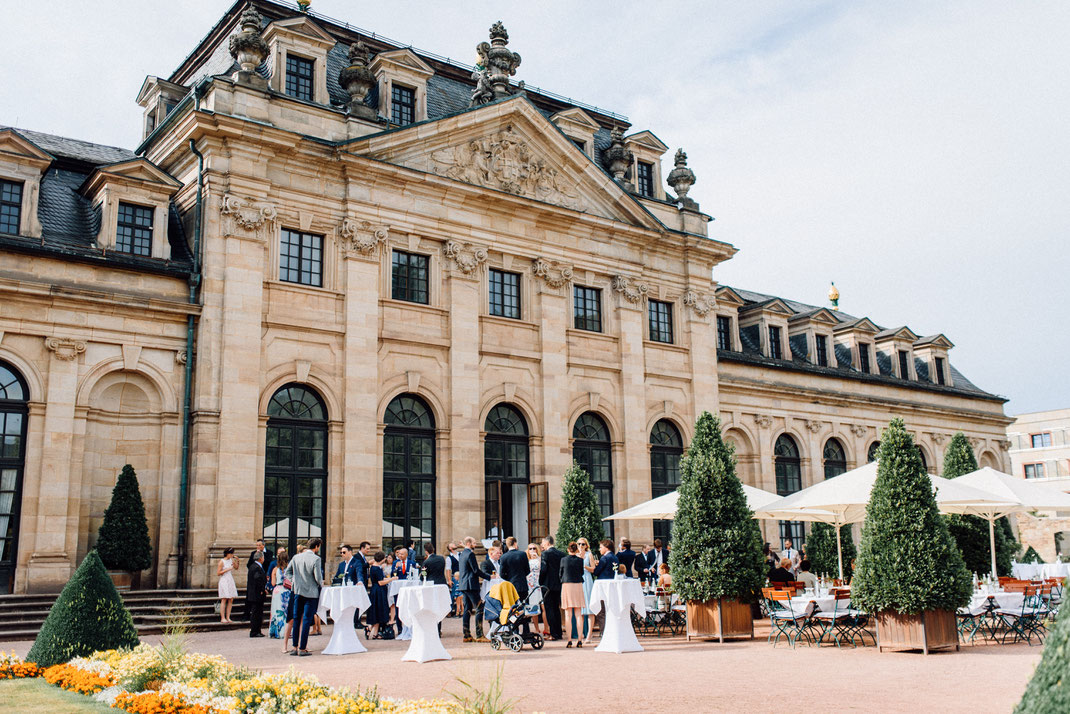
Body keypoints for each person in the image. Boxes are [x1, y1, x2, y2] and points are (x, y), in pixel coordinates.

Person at [285, 537, 324, 656]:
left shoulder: (296, 557)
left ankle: (294, 647)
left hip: (297, 591)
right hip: (311, 593)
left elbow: (288, 572)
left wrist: (295, 581)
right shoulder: (316, 559)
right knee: (306, 620)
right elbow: (318, 577)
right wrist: (320, 584)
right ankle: (302, 648)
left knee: (296, 618)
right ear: (316, 547)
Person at [458, 536, 493, 642]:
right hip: (471, 585)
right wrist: (489, 577)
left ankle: (466, 635)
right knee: (479, 607)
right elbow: (475, 570)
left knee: (467, 609)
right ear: (469, 543)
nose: (475, 544)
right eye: (474, 542)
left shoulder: (463, 554)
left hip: (464, 585)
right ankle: (479, 634)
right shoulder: (470, 554)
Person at [559, 542, 586, 648]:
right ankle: (580, 640)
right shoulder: (580, 560)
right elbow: (581, 572)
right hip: (578, 585)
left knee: (568, 615)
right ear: (576, 550)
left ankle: (569, 640)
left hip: (567, 585)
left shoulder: (563, 560)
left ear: (568, 549)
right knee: (579, 614)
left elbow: (560, 573)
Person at [367, 551, 397, 639]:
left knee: (377, 612)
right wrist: (391, 579)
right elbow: (380, 582)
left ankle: (374, 632)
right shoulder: (377, 568)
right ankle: (370, 629)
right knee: (378, 610)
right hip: (378, 591)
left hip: (375, 590)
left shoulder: (373, 567)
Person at [539, 535, 564, 640]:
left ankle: (553, 634)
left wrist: (540, 581)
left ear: (548, 543)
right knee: (556, 609)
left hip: (547, 585)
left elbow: (543, 570)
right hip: (558, 584)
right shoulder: (561, 554)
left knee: (549, 609)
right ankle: (558, 632)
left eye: (543, 543)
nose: (542, 545)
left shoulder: (545, 554)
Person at [525, 542, 546, 636]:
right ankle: (537, 629)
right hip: (530, 585)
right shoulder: (526, 560)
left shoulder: (541, 559)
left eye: (534, 548)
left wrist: (537, 558)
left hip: (539, 584)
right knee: (534, 608)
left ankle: (546, 628)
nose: (532, 550)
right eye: (530, 549)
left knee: (544, 607)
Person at [268, 550, 290, 641]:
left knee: (275, 611)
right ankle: (286, 631)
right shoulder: (289, 568)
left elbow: (273, 583)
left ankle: (276, 631)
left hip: (277, 590)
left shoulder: (275, 569)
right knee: (286, 611)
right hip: (287, 590)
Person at [577, 538, 595, 642]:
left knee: (589, 608)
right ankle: (581, 634)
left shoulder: (589, 555)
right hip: (578, 580)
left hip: (587, 579)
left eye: (583, 544)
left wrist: (584, 566)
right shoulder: (575, 555)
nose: (580, 546)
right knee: (580, 610)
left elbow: (593, 569)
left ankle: (589, 634)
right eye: (579, 544)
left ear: (586, 545)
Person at [246, 550, 267, 637]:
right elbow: (258, 579)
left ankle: (257, 630)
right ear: (260, 558)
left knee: (257, 612)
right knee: (256, 613)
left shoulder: (253, 566)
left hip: (255, 593)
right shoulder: (256, 567)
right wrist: (262, 589)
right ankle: (255, 631)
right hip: (257, 594)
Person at [217, 547, 238, 623]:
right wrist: (227, 569)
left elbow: (236, 568)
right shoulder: (222, 561)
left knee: (231, 599)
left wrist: (237, 561)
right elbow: (218, 573)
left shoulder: (231, 560)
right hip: (224, 580)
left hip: (230, 579)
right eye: (231, 553)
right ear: (227, 554)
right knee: (224, 598)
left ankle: (228, 617)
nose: (232, 555)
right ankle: (222, 617)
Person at [446, 542, 462, 617]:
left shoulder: (460, 554)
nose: (454, 544)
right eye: (452, 544)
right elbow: (448, 569)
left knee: (462, 594)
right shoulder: (449, 558)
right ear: (450, 548)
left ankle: (460, 611)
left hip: (462, 576)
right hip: (455, 577)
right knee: (454, 594)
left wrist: (462, 545)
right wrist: (449, 579)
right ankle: (450, 610)